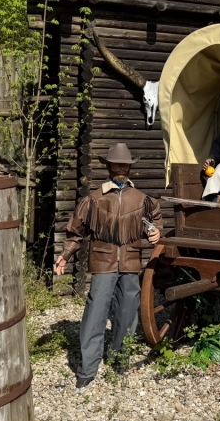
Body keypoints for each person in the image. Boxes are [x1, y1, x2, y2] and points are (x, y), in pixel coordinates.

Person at [53, 143, 162, 388]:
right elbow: (75, 232)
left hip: (131, 262)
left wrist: (156, 233)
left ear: (130, 168)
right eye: (117, 164)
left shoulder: (142, 200)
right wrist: (65, 255)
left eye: (125, 164)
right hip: (103, 262)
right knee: (96, 313)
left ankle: (119, 360)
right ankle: (87, 368)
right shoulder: (94, 200)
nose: (121, 168)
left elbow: (153, 222)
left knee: (127, 313)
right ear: (109, 167)